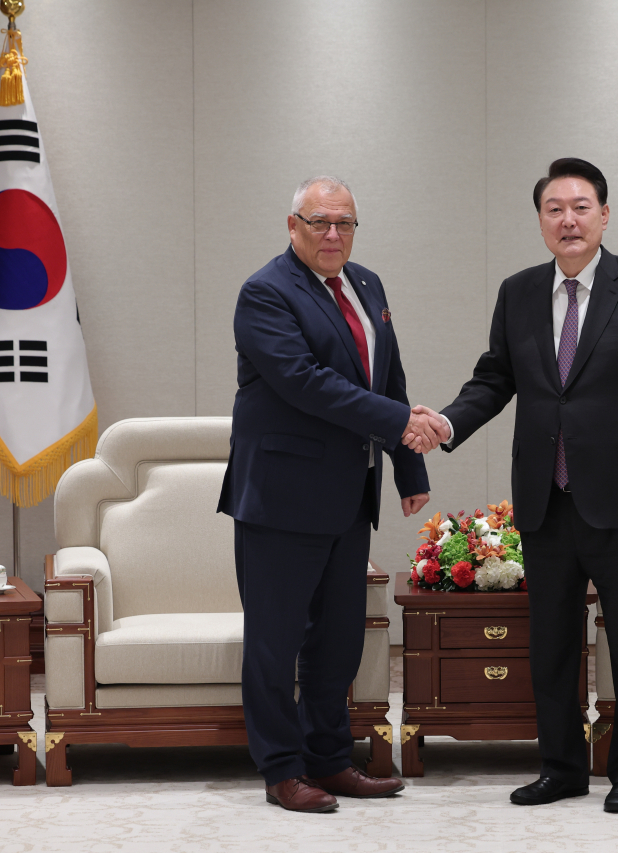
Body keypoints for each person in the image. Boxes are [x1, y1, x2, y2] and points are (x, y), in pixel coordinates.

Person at [408, 158, 618, 813]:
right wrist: (447, 422)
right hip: (545, 496)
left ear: (603, 214)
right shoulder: (518, 293)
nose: (568, 219)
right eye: (554, 209)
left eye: (581, 206)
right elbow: (494, 379)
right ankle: (562, 765)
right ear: (541, 220)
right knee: (553, 644)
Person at [218, 176, 440, 813]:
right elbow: (306, 383)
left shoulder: (366, 285)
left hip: (347, 497)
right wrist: (400, 422)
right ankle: (282, 771)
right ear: (292, 226)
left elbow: (387, 376)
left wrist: (409, 469)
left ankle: (329, 759)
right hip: (281, 500)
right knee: (275, 642)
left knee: (338, 639)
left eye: (344, 223)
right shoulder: (266, 292)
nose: (333, 235)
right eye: (320, 223)